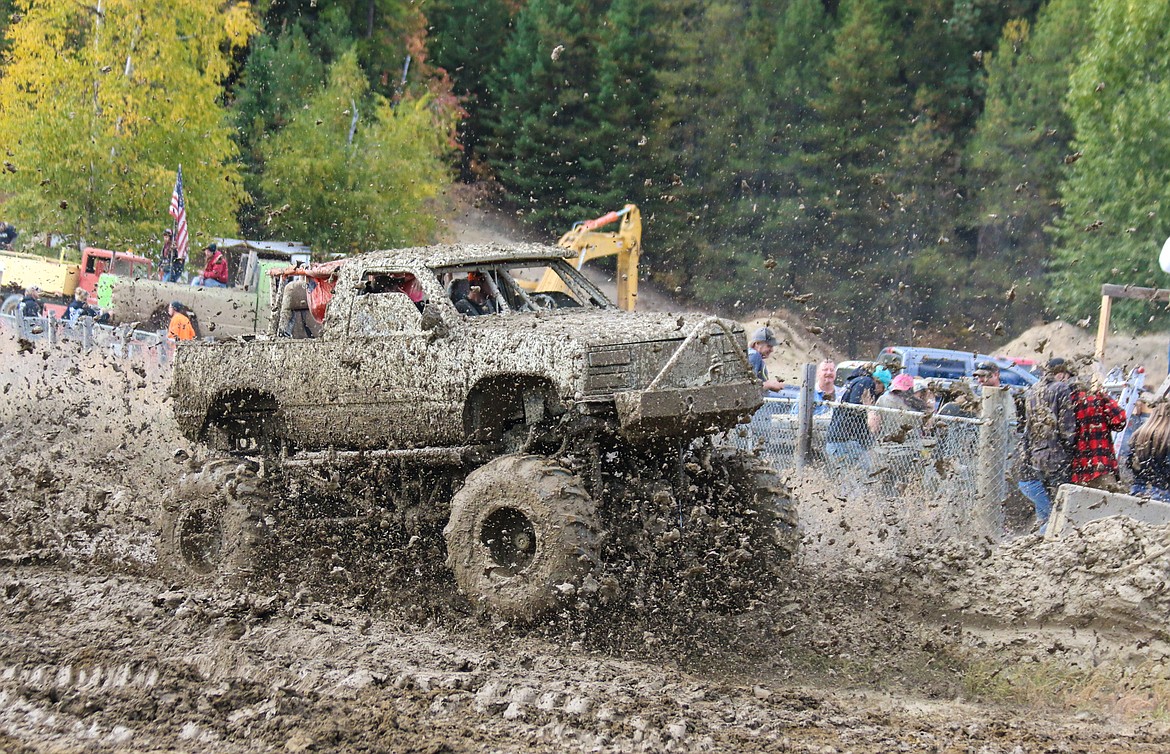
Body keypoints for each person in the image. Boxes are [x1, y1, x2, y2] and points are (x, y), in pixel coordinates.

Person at [1021, 358, 1078, 520]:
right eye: (1067, 375)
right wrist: (1070, 448)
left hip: (1037, 456)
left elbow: (1028, 427)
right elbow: (1067, 425)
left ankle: (1040, 535)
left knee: (1043, 509)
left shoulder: (1033, 391)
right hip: (1057, 455)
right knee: (1059, 506)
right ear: (1061, 374)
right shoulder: (1061, 388)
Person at [1069, 377, 1126, 490]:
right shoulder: (1100, 397)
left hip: (1079, 467)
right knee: (1109, 502)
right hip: (1101, 461)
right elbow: (1120, 420)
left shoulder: (1070, 399)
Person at [825, 364, 878, 470]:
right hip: (848, 441)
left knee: (846, 480)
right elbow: (856, 408)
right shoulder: (866, 381)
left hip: (834, 439)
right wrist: (870, 411)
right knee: (865, 476)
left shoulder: (850, 382)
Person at [1127, 402, 1170, 501]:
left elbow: (1130, 463)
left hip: (1136, 492)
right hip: (1164, 497)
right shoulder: (1167, 437)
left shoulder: (1139, 435)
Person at [747, 327, 785, 394]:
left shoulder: (752, 355)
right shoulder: (754, 356)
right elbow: (749, 386)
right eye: (769, 346)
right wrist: (769, 385)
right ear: (757, 343)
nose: (772, 350)